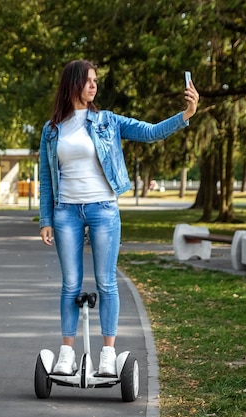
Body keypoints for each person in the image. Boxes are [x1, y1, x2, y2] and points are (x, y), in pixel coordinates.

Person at [38, 60, 199, 376]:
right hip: (66, 212)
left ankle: (108, 354)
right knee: (70, 283)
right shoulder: (52, 129)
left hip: (103, 210)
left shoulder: (107, 121)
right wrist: (46, 218)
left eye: (96, 80)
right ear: (72, 84)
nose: (94, 85)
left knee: (106, 281)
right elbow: (46, 177)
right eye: (88, 80)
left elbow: (150, 132)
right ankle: (66, 353)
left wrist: (186, 116)